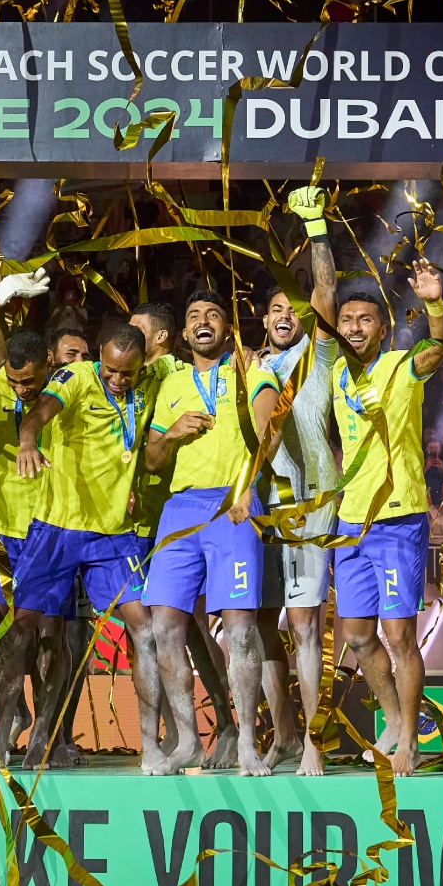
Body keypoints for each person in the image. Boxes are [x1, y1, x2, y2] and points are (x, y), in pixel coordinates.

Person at [14, 324, 176, 772]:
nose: (117, 380)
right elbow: (38, 414)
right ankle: (11, 740)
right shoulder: (78, 377)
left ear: (141, 364)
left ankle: (152, 747)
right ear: (99, 359)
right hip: (56, 529)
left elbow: (176, 356)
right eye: (110, 370)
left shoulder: (154, 378)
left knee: (143, 628)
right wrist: (28, 442)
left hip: (112, 533)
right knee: (25, 628)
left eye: (127, 373)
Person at [141, 290, 282, 774]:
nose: (203, 322)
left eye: (214, 315)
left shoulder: (252, 372)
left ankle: (246, 743)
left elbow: (271, 433)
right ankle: (187, 743)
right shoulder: (171, 386)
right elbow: (154, 459)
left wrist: (247, 488)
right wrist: (170, 433)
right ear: (182, 333)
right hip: (181, 509)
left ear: (227, 329)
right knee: (163, 628)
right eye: (194, 315)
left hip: (234, 504)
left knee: (240, 631)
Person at [330, 258, 443, 776]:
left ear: (383, 327)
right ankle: (395, 720)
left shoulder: (402, 367)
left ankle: (410, 740)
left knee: (400, 636)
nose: (354, 328)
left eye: (365, 320)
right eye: (347, 320)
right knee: (357, 634)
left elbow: (439, 348)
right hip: (349, 521)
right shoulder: (336, 372)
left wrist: (434, 303)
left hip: (398, 518)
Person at [254, 184, 340, 775]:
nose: (286, 318)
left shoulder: (321, 351)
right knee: (256, 623)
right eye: (276, 311)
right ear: (264, 319)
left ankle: (313, 741)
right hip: (262, 508)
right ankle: (281, 734)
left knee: (306, 624)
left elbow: (327, 287)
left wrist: (315, 228)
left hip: (311, 501)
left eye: (294, 310)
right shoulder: (251, 366)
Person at [0, 328, 64, 766]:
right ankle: (3, 733)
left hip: (50, 530)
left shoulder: (68, 391)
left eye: (29, 382)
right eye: (15, 383)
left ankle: (45, 736)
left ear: (49, 361)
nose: (21, 390)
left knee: (48, 635)